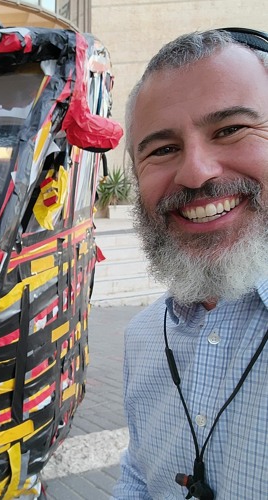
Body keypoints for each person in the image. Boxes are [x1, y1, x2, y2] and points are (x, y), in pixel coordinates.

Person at [111, 28, 268, 499]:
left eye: (230, 129)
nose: (195, 171)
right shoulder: (143, 338)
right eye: (162, 149)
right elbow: (139, 474)